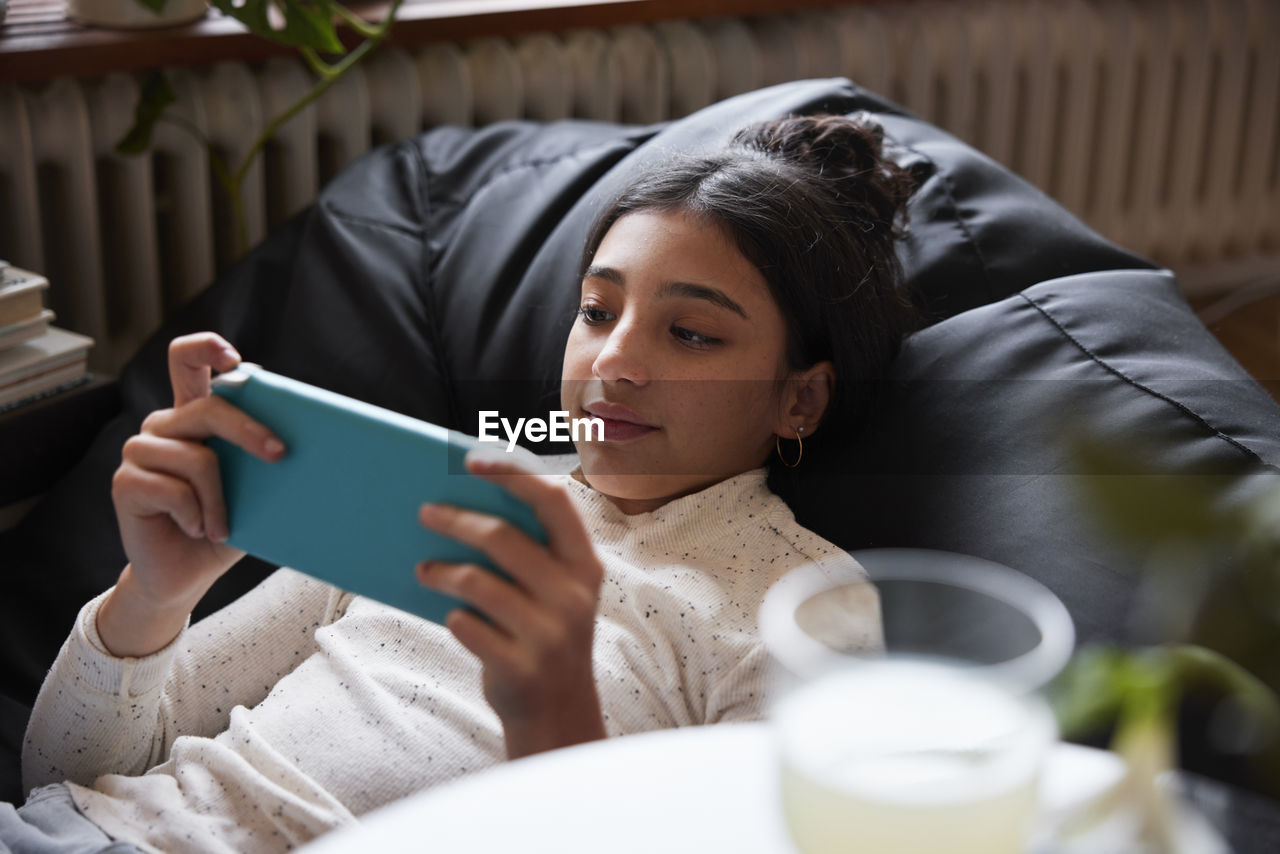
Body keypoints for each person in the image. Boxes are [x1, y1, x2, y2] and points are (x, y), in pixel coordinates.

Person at [10, 113, 918, 853]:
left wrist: (554, 718)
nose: (613, 362)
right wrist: (156, 597)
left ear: (801, 399)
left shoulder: (802, 608)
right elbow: (62, 777)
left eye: (691, 334)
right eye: (597, 311)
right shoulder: (447, 488)